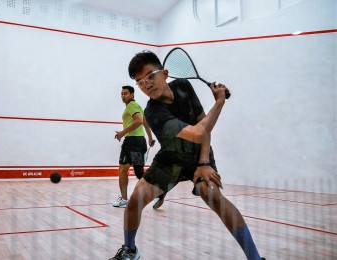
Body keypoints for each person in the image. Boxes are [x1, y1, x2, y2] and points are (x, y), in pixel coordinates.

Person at [110, 51, 264, 260]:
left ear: (164, 74)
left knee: (212, 195)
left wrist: (204, 162)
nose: (146, 84)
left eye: (150, 76)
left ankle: (255, 258)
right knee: (136, 199)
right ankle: (130, 250)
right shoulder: (153, 113)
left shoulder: (183, 86)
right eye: (140, 82)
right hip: (171, 158)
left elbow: (202, 126)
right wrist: (219, 102)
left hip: (198, 155)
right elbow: (198, 131)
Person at [113, 85, 155, 208]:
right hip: (139, 141)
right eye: (122, 93)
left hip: (131, 142)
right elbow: (146, 124)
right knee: (138, 172)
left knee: (122, 170)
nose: (123, 95)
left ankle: (124, 200)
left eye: (126, 93)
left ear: (132, 95)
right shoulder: (138, 107)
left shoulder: (131, 106)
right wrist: (150, 138)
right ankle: (156, 191)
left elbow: (139, 121)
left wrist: (122, 133)